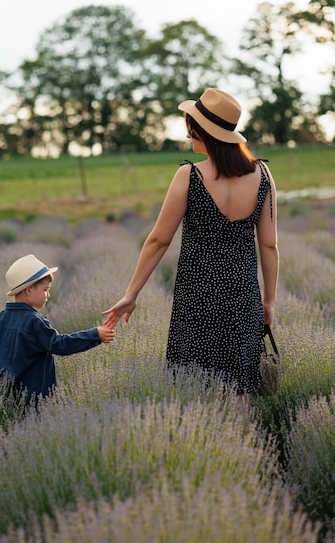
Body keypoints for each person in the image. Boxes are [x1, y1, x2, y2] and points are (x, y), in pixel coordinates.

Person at [102, 88, 278, 401]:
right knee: (242, 388)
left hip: (197, 298)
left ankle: (203, 444)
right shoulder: (263, 175)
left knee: (196, 386)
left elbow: (158, 240)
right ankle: (240, 446)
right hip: (243, 295)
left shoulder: (189, 175)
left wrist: (132, 293)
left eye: (190, 128)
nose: (187, 135)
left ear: (204, 133)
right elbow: (269, 246)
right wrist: (269, 301)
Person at [0, 253, 115, 404]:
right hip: (34, 401)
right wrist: (94, 335)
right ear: (29, 290)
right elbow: (60, 344)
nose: (48, 295)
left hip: (2, 399)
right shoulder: (34, 322)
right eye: (45, 290)